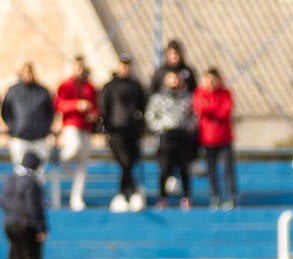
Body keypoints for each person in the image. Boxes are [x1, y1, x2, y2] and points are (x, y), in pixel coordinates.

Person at [99, 55, 147, 212]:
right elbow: (104, 108)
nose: (125, 68)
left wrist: (141, 127)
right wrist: (105, 128)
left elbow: (143, 107)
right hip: (116, 131)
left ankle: (122, 194)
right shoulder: (110, 87)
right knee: (125, 162)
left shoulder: (136, 86)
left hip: (132, 131)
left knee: (129, 163)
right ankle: (132, 192)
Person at [145, 70, 197, 210]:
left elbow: (195, 116)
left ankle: (186, 197)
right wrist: (162, 127)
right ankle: (163, 197)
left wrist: (187, 127)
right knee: (165, 168)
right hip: (166, 136)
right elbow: (150, 116)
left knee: (184, 168)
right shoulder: (158, 98)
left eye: (176, 78)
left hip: (183, 137)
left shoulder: (187, 97)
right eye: (170, 78)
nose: (174, 81)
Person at [0, 150, 47, 259]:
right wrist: (40, 228)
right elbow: (33, 207)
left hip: (10, 224)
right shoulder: (32, 182)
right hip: (26, 226)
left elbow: (4, 202)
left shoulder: (11, 180)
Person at [54, 56, 99, 211]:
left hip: (86, 127)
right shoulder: (65, 85)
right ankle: (62, 160)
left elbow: (96, 106)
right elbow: (59, 104)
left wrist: (93, 113)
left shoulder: (90, 87)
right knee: (73, 147)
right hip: (71, 124)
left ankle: (76, 197)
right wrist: (76, 105)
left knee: (83, 164)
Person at [194, 68, 237, 210]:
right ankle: (215, 197)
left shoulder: (225, 94)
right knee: (211, 170)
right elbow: (200, 108)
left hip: (224, 137)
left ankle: (231, 196)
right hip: (208, 138)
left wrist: (210, 108)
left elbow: (224, 111)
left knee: (228, 169)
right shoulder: (200, 93)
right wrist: (211, 108)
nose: (211, 83)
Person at [3, 63, 55, 173]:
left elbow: (50, 112)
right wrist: (14, 128)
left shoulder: (42, 91)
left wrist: (44, 129)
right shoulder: (13, 91)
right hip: (19, 137)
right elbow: (6, 112)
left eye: (30, 72)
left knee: (39, 172)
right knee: (20, 171)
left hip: (39, 138)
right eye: (25, 72)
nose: (28, 75)